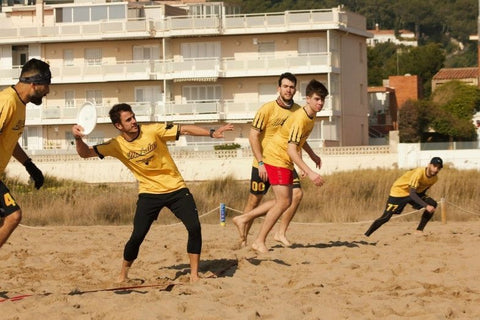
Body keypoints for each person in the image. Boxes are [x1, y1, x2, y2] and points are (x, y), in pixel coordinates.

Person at [71, 103, 233, 282]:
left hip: (176, 188)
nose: (134, 121)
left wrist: (212, 133)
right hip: (149, 193)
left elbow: (185, 129)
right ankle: (123, 275)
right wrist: (78, 139)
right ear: (118, 126)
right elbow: (85, 154)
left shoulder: (154, 130)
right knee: (138, 235)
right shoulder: (116, 144)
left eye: (133, 117)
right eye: (128, 120)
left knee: (194, 227)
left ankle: (194, 275)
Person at [234, 79, 328, 253]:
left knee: (286, 199)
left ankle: (246, 220)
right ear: (308, 99)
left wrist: (312, 154)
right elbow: (292, 150)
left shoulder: (309, 114)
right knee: (282, 201)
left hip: (282, 159)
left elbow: (300, 140)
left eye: (322, 100)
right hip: (275, 158)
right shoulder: (299, 117)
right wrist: (310, 172)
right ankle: (257, 240)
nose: (320, 103)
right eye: (317, 99)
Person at [0, 58, 49, 249]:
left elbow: (9, 141)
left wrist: (29, 165)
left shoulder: (20, 105)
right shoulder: (7, 102)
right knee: (13, 216)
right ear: (34, 84)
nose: (48, 91)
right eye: (46, 86)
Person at [364, 157, 444, 237]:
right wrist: (425, 205)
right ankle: (366, 235)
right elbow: (412, 193)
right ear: (429, 165)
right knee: (386, 217)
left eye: (438, 168)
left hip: (414, 193)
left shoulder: (434, 179)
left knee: (432, 204)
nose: (436, 169)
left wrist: (420, 203)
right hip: (399, 192)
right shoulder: (419, 173)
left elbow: (422, 191)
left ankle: (419, 230)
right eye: (434, 166)